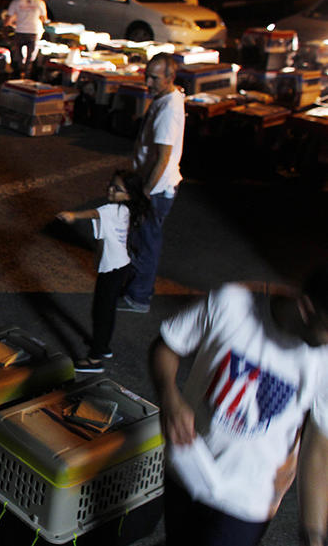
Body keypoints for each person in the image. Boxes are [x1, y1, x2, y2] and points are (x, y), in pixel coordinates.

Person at [149, 265, 328, 546]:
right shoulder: (230, 304)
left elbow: (319, 448)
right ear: (307, 310)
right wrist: (170, 397)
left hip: (249, 501)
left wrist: (313, 533)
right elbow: (166, 346)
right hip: (187, 467)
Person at [56, 170, 151, 372]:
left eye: (117, 189)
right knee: (106, 310)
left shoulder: (111, 210)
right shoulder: (124, 210)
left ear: (128, 195)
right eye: (111, 185)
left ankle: (95, 359)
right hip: (119, 266)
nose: (111, 190)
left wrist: (73, 215)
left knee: (100, 312)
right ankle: (103, 346)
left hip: (112, 268)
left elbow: (94, 213)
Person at [119, 52, 184, 313]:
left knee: (144, 243)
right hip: (153, 185)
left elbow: (163, 157)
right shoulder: (166, 98)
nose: (148, 82)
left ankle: (138, 297)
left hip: (155, 189)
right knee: (141, 239)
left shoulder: (168, 109)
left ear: (170, 77)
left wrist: (145, 191)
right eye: (146, 76)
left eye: (154, 78)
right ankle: (136, 289)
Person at [4, 0, 48, 79]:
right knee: (30, 58)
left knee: (19, 57)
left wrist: (10, 24)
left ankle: (19, 74)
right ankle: (27, 76)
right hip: (34, 32)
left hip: (20, 31)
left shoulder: (16, 1)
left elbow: (7, 21)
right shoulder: (40, 2)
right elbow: (43, 19)